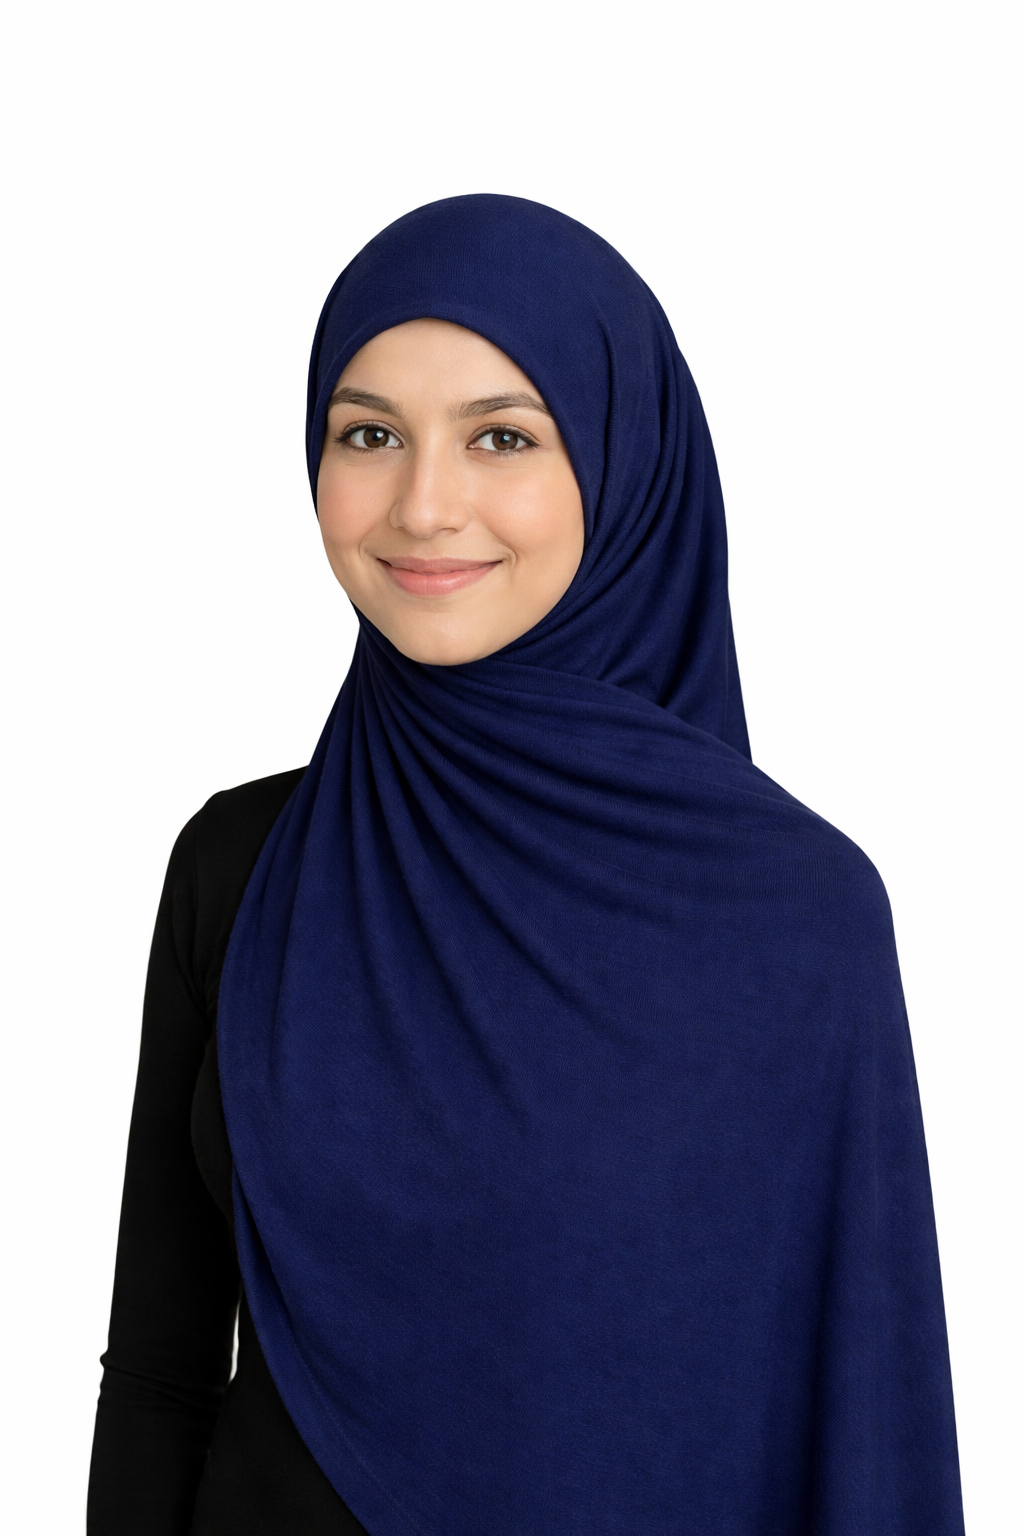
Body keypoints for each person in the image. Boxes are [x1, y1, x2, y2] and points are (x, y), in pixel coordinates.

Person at [87, 195, 964, 1536]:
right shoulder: (240, 863)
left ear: (622, 466)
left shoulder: (797, 918)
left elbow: (861, 1419)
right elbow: (162, 1374)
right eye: (368, 434)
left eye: (502, 436)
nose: (423, 505)